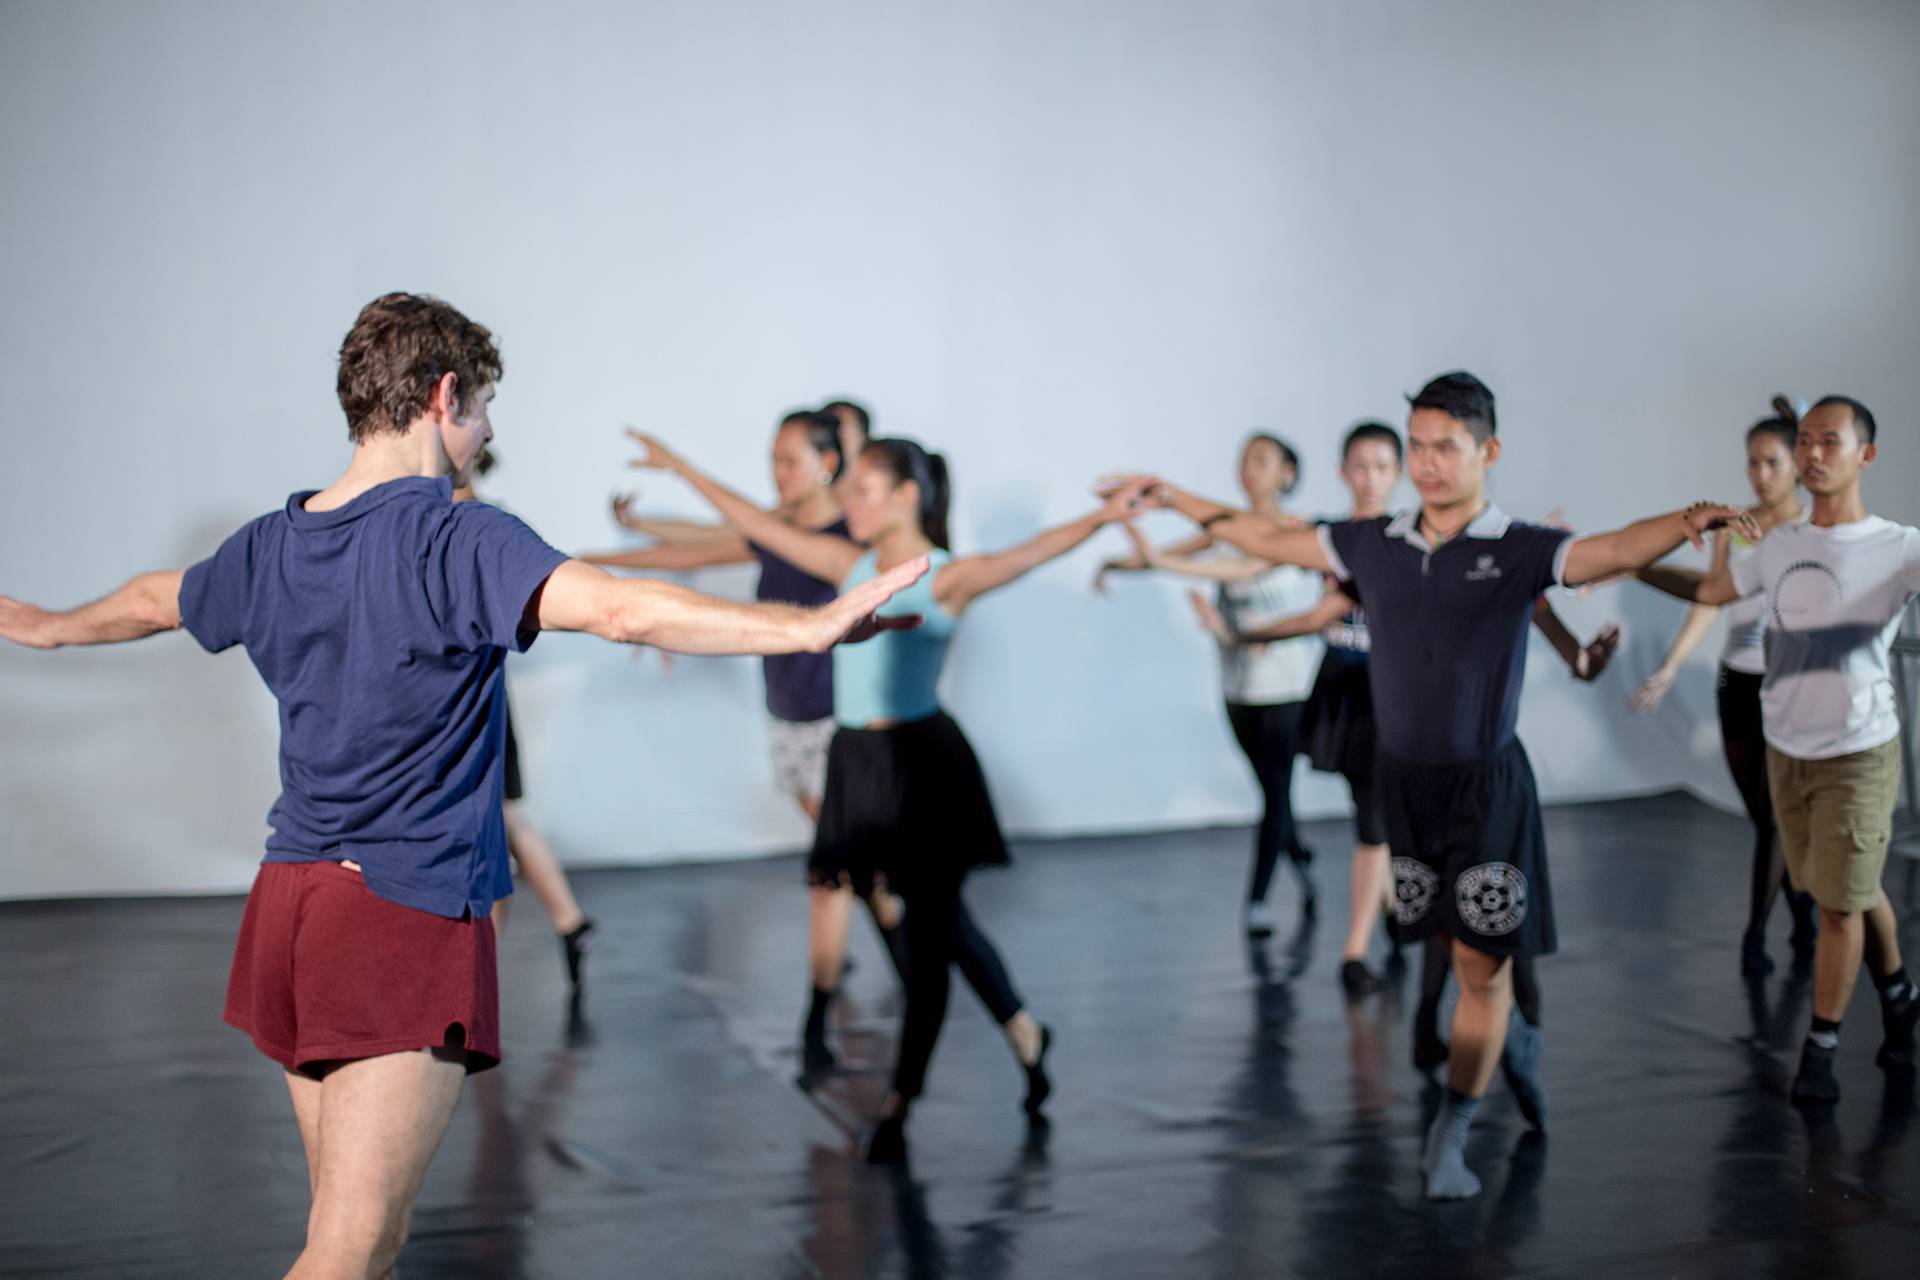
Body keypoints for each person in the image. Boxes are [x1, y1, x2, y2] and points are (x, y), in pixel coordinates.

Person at [0, 293, 928, 1276]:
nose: (487, 431)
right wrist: (804, 626)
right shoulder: (458, 535)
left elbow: (158, 598)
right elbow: (620, 609)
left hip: (293, 910)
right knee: (346, 1250)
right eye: (484, 407)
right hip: (397, 917)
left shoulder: (272, 543)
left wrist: (44, 623)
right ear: (445, 395)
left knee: (367, 1238)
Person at [1103, 369, 1749, 1199]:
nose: (1429, 464)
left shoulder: (1515, 547)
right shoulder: (1373, 542)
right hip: (1405, 784)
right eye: (1419, 447)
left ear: (1489, 451)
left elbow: (1614, 549)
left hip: (1486, 787)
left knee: (1480, 969)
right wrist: (1171, 495)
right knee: (1449, 943)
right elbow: (1265, 538)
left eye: (1447, 447)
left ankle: (1453, 1126)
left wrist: (1688, 520)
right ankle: (1510, 1042)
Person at [625, 426, 1141, 1162]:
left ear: (904, 497)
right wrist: (679, 466)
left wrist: (1102, 518)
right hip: (859, 762)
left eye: (862, 491)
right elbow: (758, 524)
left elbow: (1028, 556)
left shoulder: (947, 575)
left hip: (923, 766)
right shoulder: (851, 562)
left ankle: (900, 1102)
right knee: (943, 924)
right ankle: (1025, 1030)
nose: (848, 503)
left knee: (927, 943)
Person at [585, 409, 905, 1072]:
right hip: (786, 712)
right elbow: (689, 552)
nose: (778, 472)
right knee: (847, 860)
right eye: (773, 460)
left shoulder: (846, 534)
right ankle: (909, 947)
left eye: (790, 460)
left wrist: (677, 465)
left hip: (833, 718)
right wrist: (584, 567)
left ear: (828, 462)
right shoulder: (777, 528)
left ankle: (821, 1014)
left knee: (832, 868)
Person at [1634, 395, 1919, 1105]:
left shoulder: (1899, 546)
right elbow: (1709, 588)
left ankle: (1820, 1045)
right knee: (1850, 889)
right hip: (1784, 744)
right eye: (1808, 441)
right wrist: (1631, 564)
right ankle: (1902, 997)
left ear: (1865, 455)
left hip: (1858, 749)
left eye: (1831, 441)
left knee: (1836, 906)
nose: (1815, 453)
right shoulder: (1780, 545)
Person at [1628, 399, 1818, 977]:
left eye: (1772, 462)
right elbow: (1709, 601)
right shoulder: (1736, 526)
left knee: (1778, 817)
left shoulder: (1814, 529)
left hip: (1789, 687)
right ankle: (1802, 914)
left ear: (1798, 464)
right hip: (1736, 682)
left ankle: (1755, 934)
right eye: (1753, 462)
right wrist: (1668, 666)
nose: (1760, 474)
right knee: (1764, 815)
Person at [1106, 434, 1324, 933]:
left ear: (1288, 473)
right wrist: (1112, 559)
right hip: (1236, 683)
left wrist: (1160, 560)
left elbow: (1241, 566)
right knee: (1273, 791)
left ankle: (1258, 902)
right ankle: (1303, 861)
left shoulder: (1298, 531)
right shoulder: (1224, 527)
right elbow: (1172, 556)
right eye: (1245, 460)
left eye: (1263, 461)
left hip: (1286, 685)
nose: (1250, 470)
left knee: (1274, 790)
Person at [454, 451, 598, 991]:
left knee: (499, 827)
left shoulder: (483, 527)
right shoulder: (457, 523)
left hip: (479, 700)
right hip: (474, 700)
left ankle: (493, 965)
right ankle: (568, 923)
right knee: (503, 825)